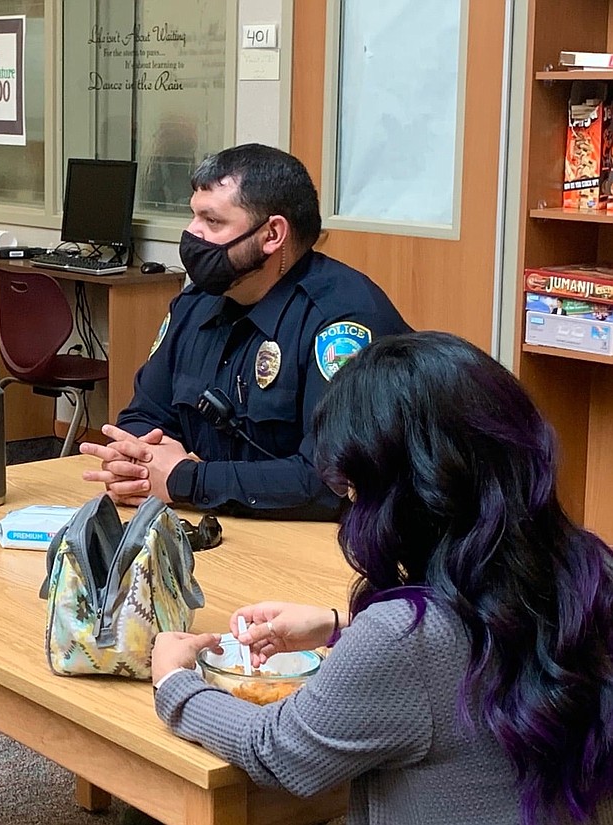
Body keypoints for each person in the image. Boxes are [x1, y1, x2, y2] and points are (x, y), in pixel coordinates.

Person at [149, 332, 613, 825]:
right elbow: (464, 662)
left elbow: (277, 750)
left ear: (405, 494)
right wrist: (336, 629)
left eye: (352, 488)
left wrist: (175, 682)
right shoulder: (587, 574)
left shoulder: (404, 638)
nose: (348, 504)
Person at [80, 144, 410, 520]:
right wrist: (137, 465)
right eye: (193, 217)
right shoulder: (195, 305)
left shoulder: (342, 320)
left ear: (272, 234)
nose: (192, 234)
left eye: (213, 222)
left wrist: (188, 480)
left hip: (319, 546)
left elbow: (333, 481)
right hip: (213, 525)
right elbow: (144, 415)